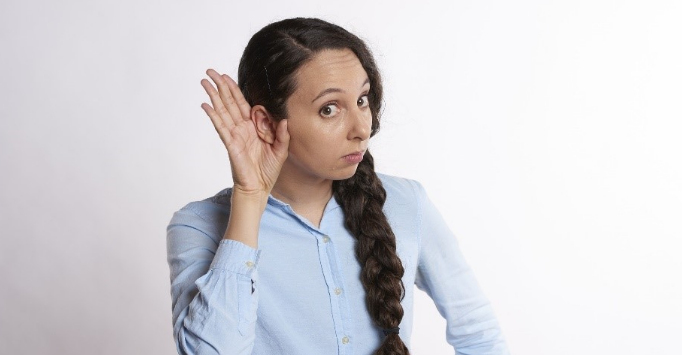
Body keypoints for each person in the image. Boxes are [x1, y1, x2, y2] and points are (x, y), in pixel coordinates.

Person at [166, 17, 510, 355]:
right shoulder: (198, 226)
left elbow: (479, 335)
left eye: (362, 100)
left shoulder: (407, 204)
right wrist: (250, 196)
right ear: (267, 124)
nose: (362, 127)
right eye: (329, 109)